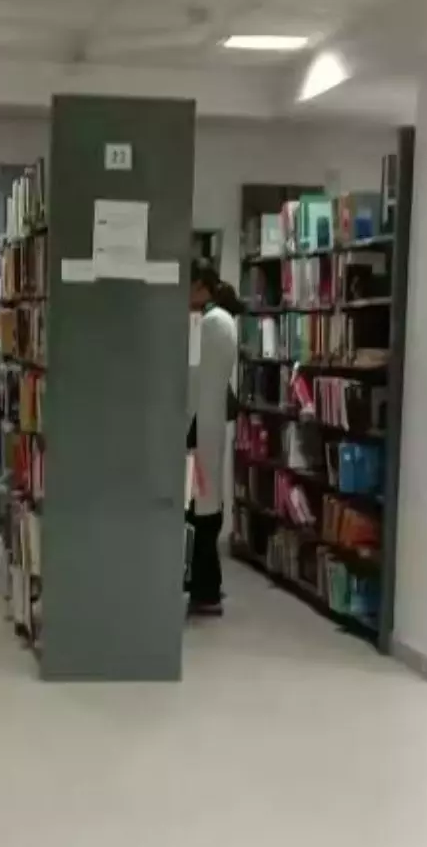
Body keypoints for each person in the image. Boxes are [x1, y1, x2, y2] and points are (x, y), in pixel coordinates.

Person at [186, 259, 240, 617]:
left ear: (200, 286)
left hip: (198, 426)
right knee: (204, 505)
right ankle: (206, 586)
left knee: (201, 510)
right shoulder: (218, 320)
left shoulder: (210, 323)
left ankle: (206, 589)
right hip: (205, 424)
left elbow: (192, 376)